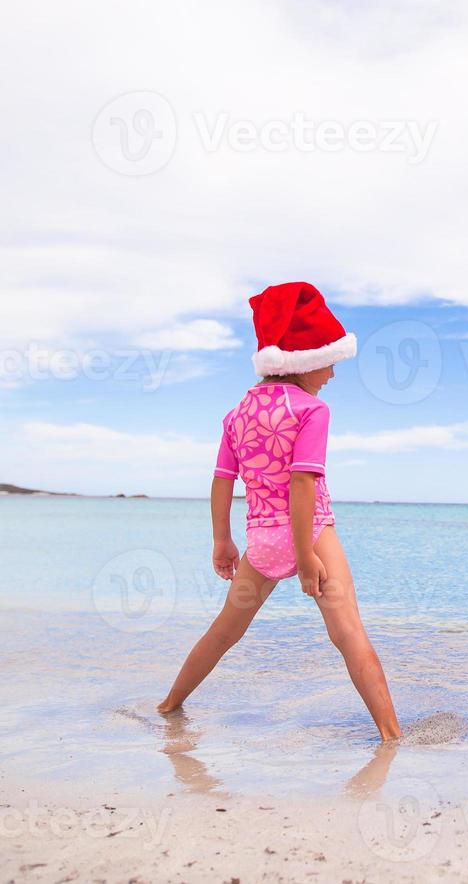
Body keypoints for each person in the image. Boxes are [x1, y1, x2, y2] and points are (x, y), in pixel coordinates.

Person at [158, 282, 401, 741]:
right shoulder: (312, 409)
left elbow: (222, 480)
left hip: (261, 539)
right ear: (306, 359)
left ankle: (170, 704)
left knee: (224, 632)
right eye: (329, 361)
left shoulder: (238, 413)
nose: (331, 373)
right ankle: (391, 736)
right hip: (312, 534)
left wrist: (221, 540)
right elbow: (302, 481)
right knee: (348, 632)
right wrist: (309, 558)